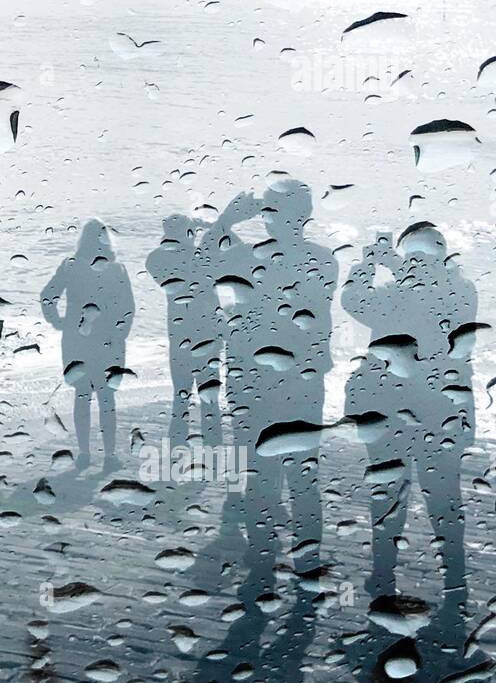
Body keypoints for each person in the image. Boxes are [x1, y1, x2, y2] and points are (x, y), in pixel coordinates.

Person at [204, 181, 335, 596]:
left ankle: (261, 563)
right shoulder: (323, 259)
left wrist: (227, 218)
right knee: (302, 472)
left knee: (260, 474)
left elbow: (203, 260)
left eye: (269, 211)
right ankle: (307, 563)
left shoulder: (247, 256)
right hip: (303, 377)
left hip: (251, 377)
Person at [341, 225, 475, 610]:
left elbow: (352, 298)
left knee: (387, 492)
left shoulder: (392, 297)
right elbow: (428, 292)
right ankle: (455, 578)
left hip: (388, 407)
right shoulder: (463, 293)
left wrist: (371, 260)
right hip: (441, 409)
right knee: (446, 498)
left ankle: (383, 575)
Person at [40, 220, 135, 472]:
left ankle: (84, 454)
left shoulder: (71, 267)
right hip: (108, 341)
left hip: (76, 340)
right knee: (107, 397)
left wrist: (58, 322)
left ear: (81, 241)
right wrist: (120, 334)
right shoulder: (117, 269)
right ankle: (110, 456)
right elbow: (128, 308)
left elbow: (47, 296)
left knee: (82, 395)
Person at [146, 214, 222, 451]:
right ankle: (213, 450)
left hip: (180, 337)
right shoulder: (197, 258)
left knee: (180, 397)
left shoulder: (164, 263)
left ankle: (177, 449)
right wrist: (207, 229)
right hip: (207, 334)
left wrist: (187, 234)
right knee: (209, 399)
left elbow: (153, 260)